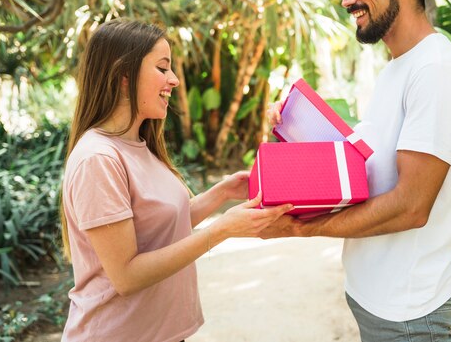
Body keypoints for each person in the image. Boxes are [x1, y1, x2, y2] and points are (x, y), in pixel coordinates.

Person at [264, 0, 451, 341]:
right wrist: (292, 131)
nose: (347, 0)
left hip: (409, 314)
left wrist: (306, 230)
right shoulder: (397, 67)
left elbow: (411, 206)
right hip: (379, 304)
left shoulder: (434, 71)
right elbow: (364, 167)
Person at [60, 19, 292, 342]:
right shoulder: (98, 159)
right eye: (162, 68)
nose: (175, 79)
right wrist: (222, 230)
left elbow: (159, 225)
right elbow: (126, 275)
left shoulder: (138, 145)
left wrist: (223, 192)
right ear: (123, 75)